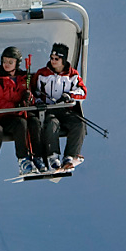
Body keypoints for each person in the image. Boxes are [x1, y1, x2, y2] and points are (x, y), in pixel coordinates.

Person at [0, 47, 42, 176]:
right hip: (2, 117)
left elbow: (32, 98)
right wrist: (17, 105)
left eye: (10, 62)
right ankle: (23, 159)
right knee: (21, 124)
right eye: (4, 61)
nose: (6, 65)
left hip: (17, 114)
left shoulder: (24, 78)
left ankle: (38, 156)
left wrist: (29, 99)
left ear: (16, 63)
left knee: (34, 122)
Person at [32, 43, 88, 171]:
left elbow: (83, 92)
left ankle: (70, 156)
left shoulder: (72, 75)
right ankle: (53, 156)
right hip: (49, 110)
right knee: (52, 123)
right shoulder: (42, 74)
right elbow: (33, 92)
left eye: (56, 59)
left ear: (63, 60)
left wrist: (69, 95)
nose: (53, 61)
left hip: (65, 110)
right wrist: (38, 101)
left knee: (79, 124)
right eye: (52, 58)